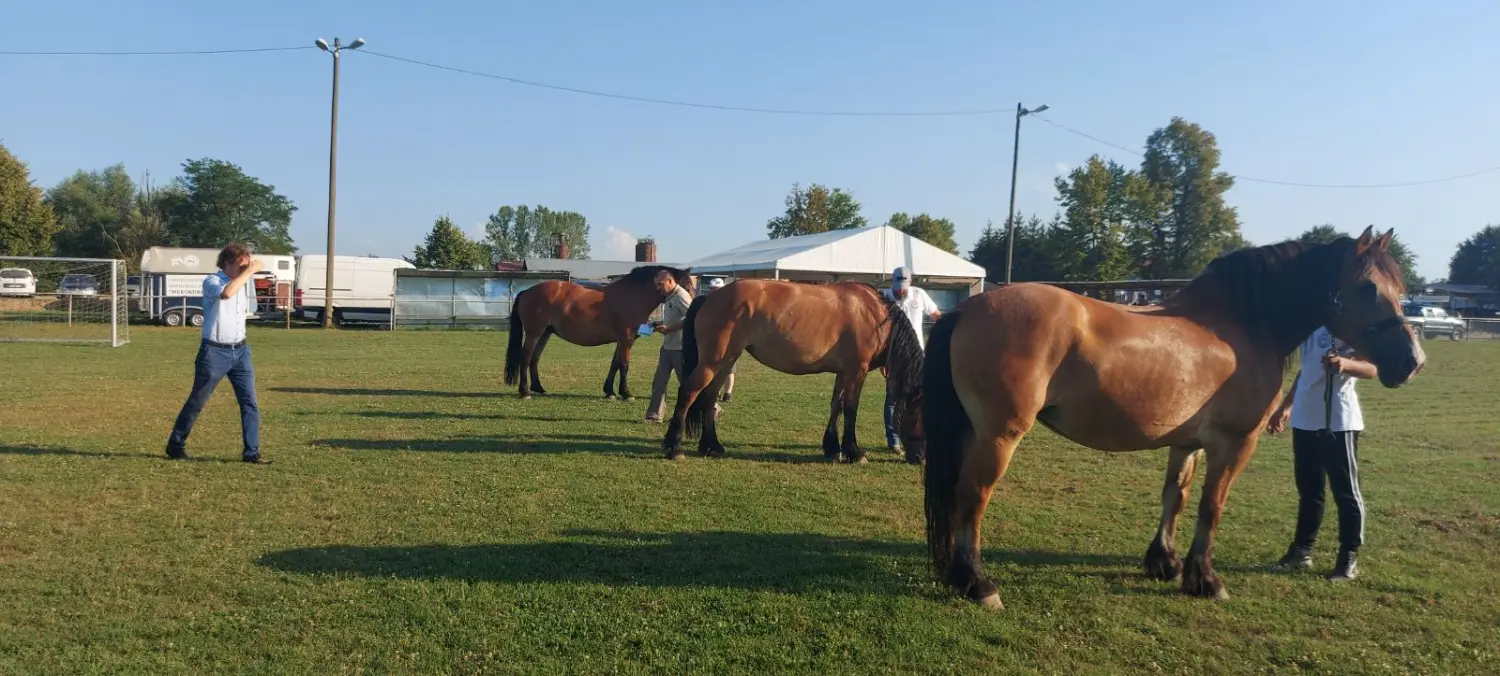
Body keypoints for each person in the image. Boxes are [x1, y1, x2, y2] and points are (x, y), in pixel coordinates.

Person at [1266, 325, 1375, 581]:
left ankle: (1349, 557)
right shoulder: (1312, 327)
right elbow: (1307, 370)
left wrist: (1345, 364)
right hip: (1305, 419)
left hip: (1338, 421)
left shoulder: (1352, 328)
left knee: (1346, 493)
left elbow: (1372, 368)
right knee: (1309, 491)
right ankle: (1301, 553)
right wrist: (1287, 406)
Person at [165, 243, 271, 464]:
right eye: (241, 265)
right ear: (227, 264)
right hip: (214, 352)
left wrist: (250, 271)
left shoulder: (244, 281)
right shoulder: (212, 281)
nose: (246, 269)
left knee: (249, 402)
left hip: (241, 351)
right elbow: (227, 293)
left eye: (247, 264)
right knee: (198, 400)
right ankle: (176, 444)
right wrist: (251, 271)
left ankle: (251, 452)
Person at [645, 270, 717, 423]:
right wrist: (658, 326)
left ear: (670, 282)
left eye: (660, 284)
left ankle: (713, 408)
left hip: (680, 349)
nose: (658, 287)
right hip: (667, 348)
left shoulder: (681, 296)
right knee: (659, 382)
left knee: (689, 383)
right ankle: (654, 414)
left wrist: (670, 328)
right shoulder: (669, 297)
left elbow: (693, 317)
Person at [882, 266, 940, 453]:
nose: (900, 290)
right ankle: (894, 441)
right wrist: (883, 361)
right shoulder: (884, 297)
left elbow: (936, 315)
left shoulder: (919, 295)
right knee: (892, 400)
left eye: (904, 285)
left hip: (918, 358)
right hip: (894, 359)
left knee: (920, 398)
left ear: (911, 282)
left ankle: (921, 436)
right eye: (898, 285)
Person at [707, 277, 738, 403]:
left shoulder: (730, 303)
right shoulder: (707, 303)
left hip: (728, 339)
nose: (714, 292)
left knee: (729, 368)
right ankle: (715, 390)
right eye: (712, 289)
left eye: (717, 289)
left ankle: (727, 393)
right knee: (712, 367)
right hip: (711, 339)